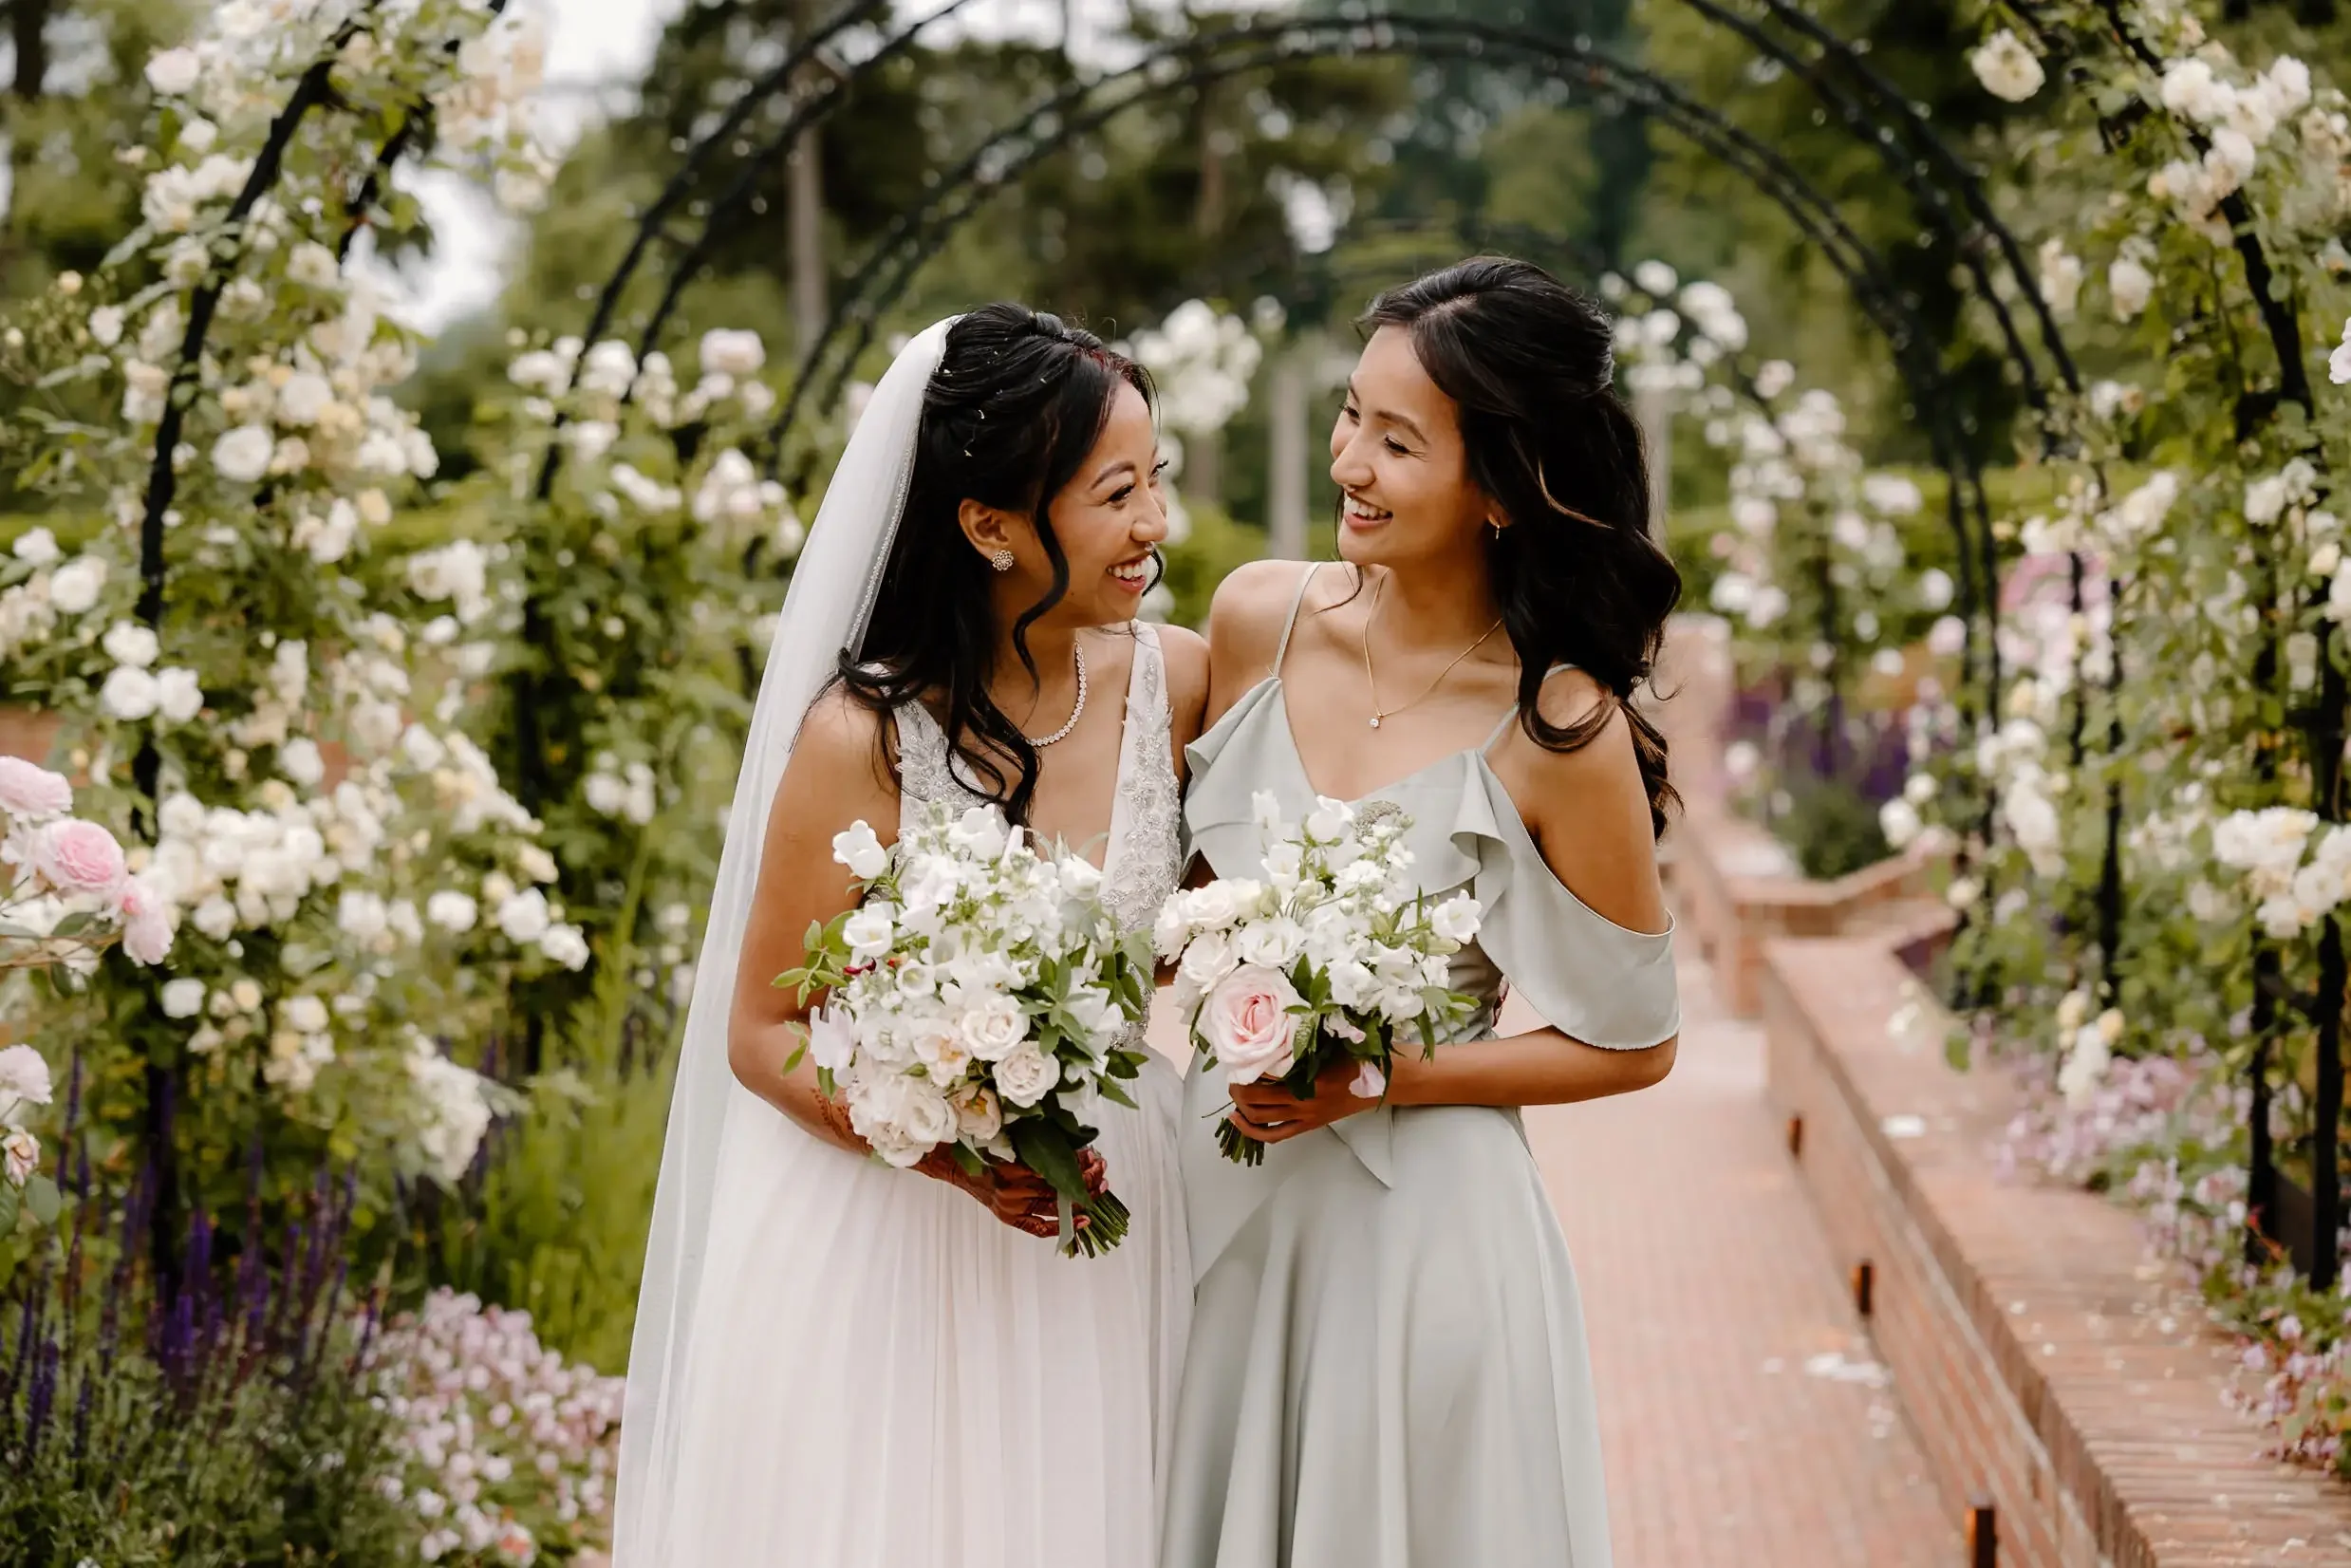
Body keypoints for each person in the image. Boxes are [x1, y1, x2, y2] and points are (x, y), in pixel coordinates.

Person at [615, 305, 1207, 1568]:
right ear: (990, 526)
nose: (1156, 522)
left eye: (1155, 478)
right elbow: (760, 1030)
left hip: (1111, 1209)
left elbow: (1189, 934)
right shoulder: (863, 737)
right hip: (894, 1235)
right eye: (1116, 494)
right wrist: (943, 1143)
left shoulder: (1182, 683)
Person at [1161, 256, 1683, 1568]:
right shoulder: (1255, 618)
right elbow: (1174, 903)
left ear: (1501, 487)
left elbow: (1634, 1043)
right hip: (1216, 1207)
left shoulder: (1560, 724)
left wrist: (1387, 1076)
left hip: (1425, 1247)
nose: (1351, 461)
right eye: (1352, 415)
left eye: (1398, 443)